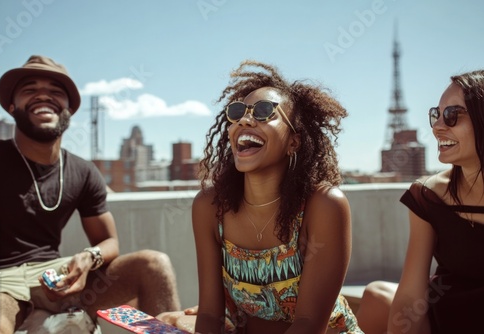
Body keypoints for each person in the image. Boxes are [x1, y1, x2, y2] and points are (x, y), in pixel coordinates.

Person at [0, 55, 181, 333]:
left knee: (153, 264)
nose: (44, 96)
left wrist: (89, 258)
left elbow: (108, 241)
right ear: (12, 106)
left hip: (58, 274)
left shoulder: (83, 171)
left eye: (55, 92)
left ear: (68, 110)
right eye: (30, 90)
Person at [190, 60, 362, 334]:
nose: (245, 120)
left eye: (264, 112)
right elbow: (210, 315)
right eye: (237, 113)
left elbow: (308, 325)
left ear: (294, 142)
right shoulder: (209, 206)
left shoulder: (325, 206)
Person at [354, 69, 484, 334]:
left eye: (452, 115)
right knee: (376, 296)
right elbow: (411, 296)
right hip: (447, 316)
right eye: (436, 115)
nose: (437, 127)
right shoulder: (428, 194)